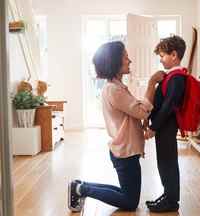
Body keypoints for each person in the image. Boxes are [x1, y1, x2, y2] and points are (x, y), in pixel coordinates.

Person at [67, 41, 164, 212]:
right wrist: (151, 84)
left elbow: (133, 112)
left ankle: (80, 186)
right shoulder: (114, 90)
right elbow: (141, 111)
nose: (130, 61)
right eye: (126, 57)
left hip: (125, 150)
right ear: (114, 62)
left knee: (127, 194)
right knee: (129, 201)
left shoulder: (116, 87)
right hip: (125, 151)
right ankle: (82, 189)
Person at [144, 35, 187, 212]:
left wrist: (154, 127)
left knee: (168, 162)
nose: (161, 60)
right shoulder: (171, 76)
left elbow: (169, 105)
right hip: (164, 127)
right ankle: (168, 195)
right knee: (164, 162)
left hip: (167, 127)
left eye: (162, 56)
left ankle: (171, 200)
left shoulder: (177, 78)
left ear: (174, 55)